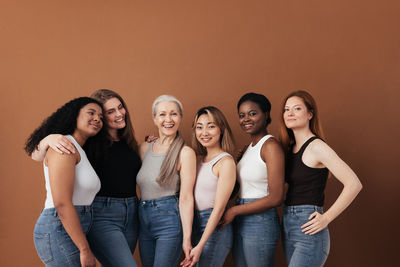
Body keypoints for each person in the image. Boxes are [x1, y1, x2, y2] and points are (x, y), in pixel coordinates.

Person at [30, 89, 142, 267]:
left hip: (129, 213)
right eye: (110, 112)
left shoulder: (128, 143)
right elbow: (37, 156)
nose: (119, 114)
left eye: (120, 107)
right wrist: (48, 139)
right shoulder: (75, 144)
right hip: (95, 216)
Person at [280, 90, 362, 267]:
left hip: (308, 227)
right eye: (286, 110)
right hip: (288, 225)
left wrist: (326, 218)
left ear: (310, 114)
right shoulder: (290, 148)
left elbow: (354, 184)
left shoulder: (317, 147)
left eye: (297, 108)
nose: (290, 113)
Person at [25, 97, 104, 267]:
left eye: (101, 116)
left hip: (73, 227)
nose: (98, 118)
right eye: (91, 113)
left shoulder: (79, 149)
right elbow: (62, 203)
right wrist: (84, 249)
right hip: (59, 227)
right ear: (74, 115)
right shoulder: (64, 146)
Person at [220, 92, 284, 267]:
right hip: (242, 218)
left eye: (252, 113)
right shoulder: (248, 148)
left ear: (266, 115)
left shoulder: (270, 146)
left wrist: (234, 211)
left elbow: (276, 197)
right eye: (242, 115)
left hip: (260, 222)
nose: (246, 119)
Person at [137, 95, 196, 267]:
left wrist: (187, 238)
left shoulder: (185, 153)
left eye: (174, 114)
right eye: (162, 114)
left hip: (169, 220)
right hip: (143, 217)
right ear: (155, 119)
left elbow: (186, 198)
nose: (168, 119)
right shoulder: (144, 148)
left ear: (180, 118)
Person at [182, 106, 236, 267]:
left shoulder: (226, 162)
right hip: (195, 223)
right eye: (199, 127)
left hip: (213, 227)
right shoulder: (197, 160)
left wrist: (200, 246)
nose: (204, 132)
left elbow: (219, 209)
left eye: (211, 126)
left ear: (221, 129)